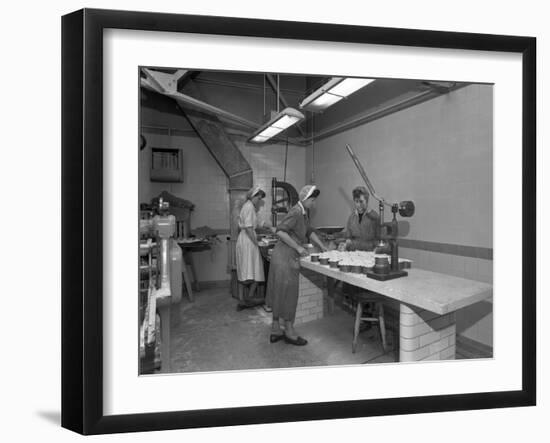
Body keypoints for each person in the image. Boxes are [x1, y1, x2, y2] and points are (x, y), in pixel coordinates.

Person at [266, 185, 327, 346]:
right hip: (285, 257)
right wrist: (298, 247)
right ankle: (289, 332)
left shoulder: (304, 214)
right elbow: (280, 231)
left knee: (279, 292)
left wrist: (322, 246)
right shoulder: (296, 212)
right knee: (288, 294)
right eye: (312, 200)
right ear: (305, 199)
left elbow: (309, 231)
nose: (314, 204)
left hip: (283, 257)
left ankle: (275, 329)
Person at [235, 185, 268, 311]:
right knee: (249, 270)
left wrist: (270, 226)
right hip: (248, 241)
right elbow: (249, 228)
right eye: (259, 198)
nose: (260, 201)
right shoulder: (249, 207)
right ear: (253, 196)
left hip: (247, 240)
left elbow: (258, 222)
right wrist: (257, 243)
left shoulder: (250, 207)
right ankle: (244, 299)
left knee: (253, 269)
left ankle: (246, 299)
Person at [339, 186, 380, 251]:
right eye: (356, 201)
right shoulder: (351, 218)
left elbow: (378, 242)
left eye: (361, 201)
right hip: (354, 254)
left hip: (369, 254)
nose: (358, 205)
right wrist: (345, 245)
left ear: (367, 201)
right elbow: (348, 238)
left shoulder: (374, 217)